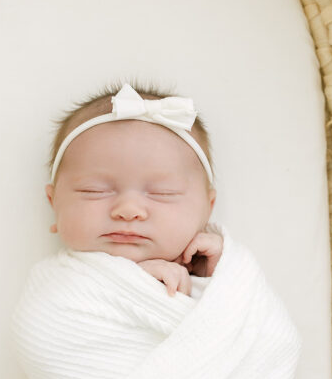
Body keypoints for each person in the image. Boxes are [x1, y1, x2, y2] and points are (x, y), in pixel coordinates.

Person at [43, 80, 224, 295]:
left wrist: (216, 277)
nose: (128, 210)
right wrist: (136, 285)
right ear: (54, 203)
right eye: (94, 191)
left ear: (208, 208)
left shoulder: (224, 272)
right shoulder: (57, 283)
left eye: (163, 193)